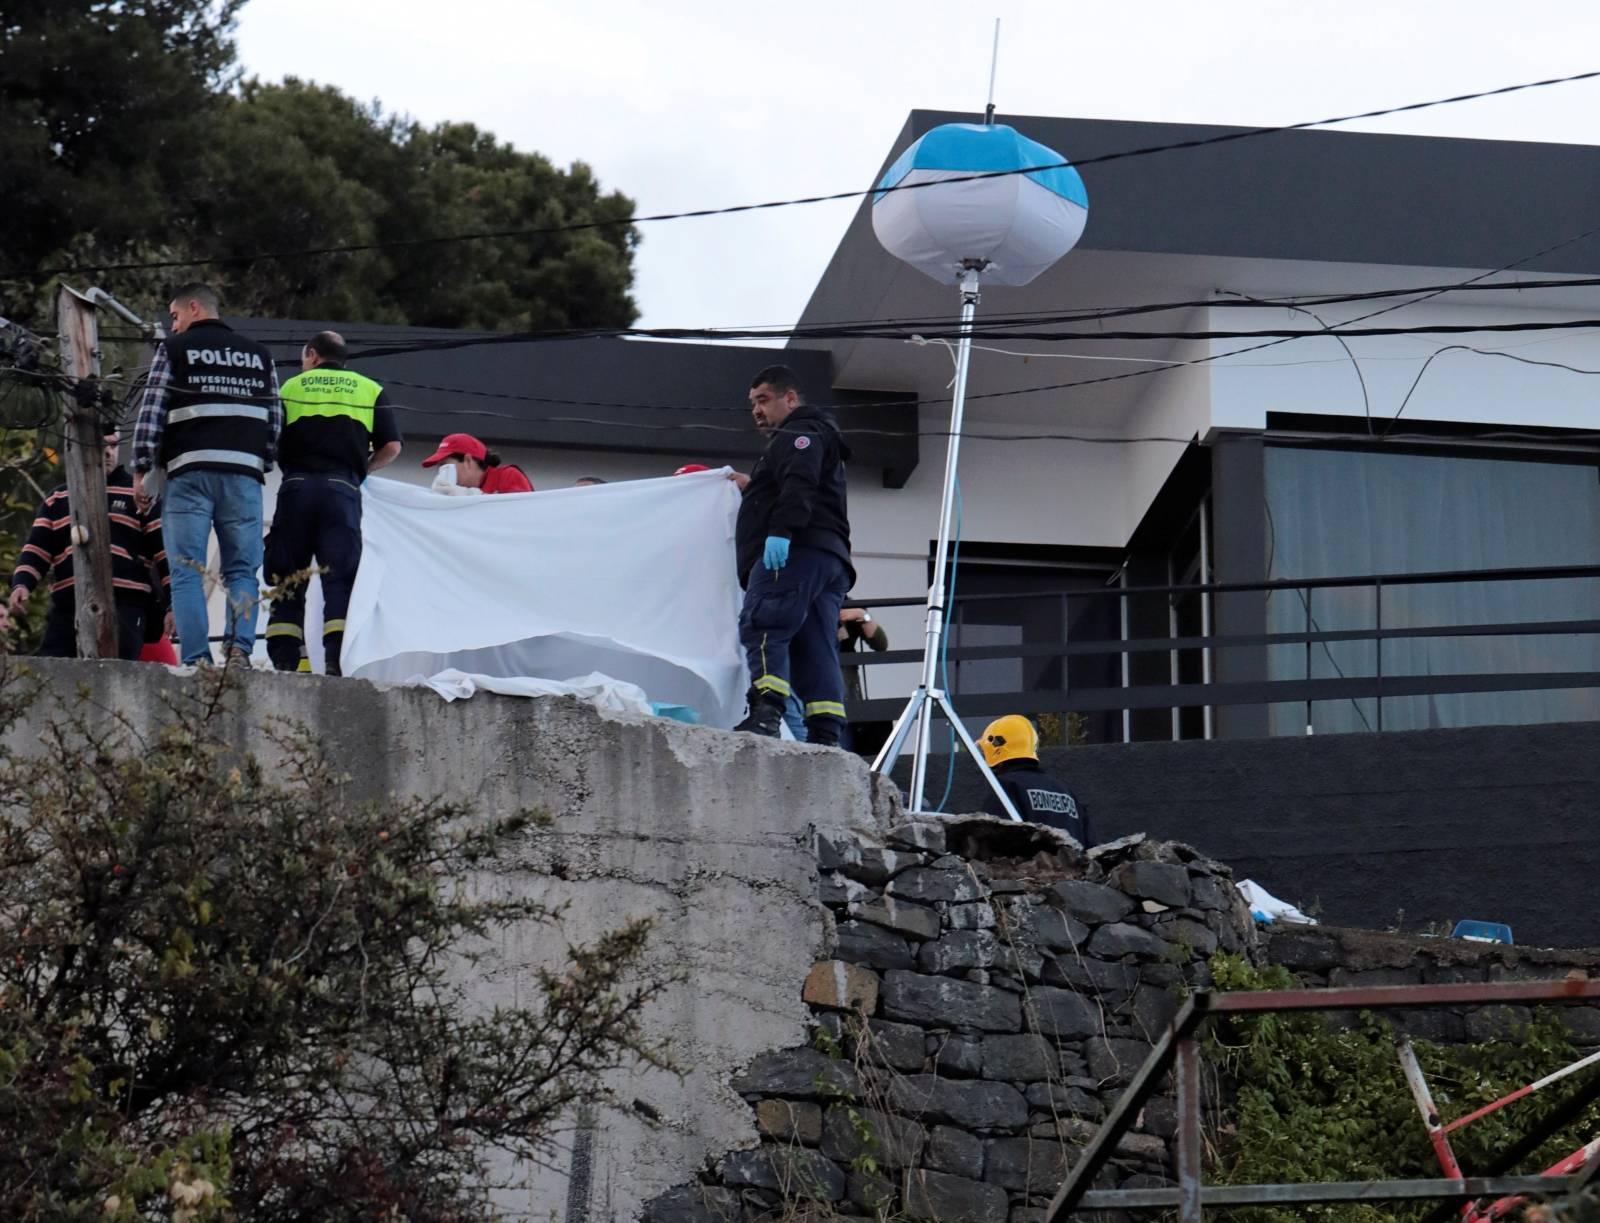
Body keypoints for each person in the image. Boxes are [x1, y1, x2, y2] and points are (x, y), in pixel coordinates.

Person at [132, 282, 280, 668]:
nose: (174, 325)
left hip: (190, 476)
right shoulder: (261, 356)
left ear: (194, 307)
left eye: (175, 316)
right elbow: (274, 420)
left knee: (186, 572)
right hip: (243, 479)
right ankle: (239, 652)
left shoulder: (174, 350)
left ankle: (197, 661)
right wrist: (258, 463)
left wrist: (142, 468)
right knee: (242, 570)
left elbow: (152, 411)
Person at [263, 331, 403, 676]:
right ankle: (334, 662)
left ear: (312, 355)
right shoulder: (369, 389)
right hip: (342, 490)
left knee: (288, 574)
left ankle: (284, 661)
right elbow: (392, 447)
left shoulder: (291, 388)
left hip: (295, 488)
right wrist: (361, 472)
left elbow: (270, 440)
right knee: (339, 578)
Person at [731, 365, 854, 747]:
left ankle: (766, 715)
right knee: (815, 645)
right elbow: (800, 485)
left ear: (790, 398)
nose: (756, 410)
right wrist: (754, 489)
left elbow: (799, 482)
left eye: (763, 400)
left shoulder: (799, 433)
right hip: (827, 559)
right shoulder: (814, 435)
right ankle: (825, 734)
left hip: (795, 552)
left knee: (765, 624)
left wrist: (780, 533)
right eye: (752, 403)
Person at [1, 432, 170, 659]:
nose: (108, 452)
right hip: (68, 606)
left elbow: (164, 554)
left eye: (113, 445)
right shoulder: (58, 498)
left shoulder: (139, 496)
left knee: (115, 678)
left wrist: (172, 605)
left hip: (127, 605)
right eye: (101, 445)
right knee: (53, 674)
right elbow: (37, 548)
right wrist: (22, 584)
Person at [979, 715, 1088, 844]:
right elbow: (1090, 848)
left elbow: (992, 842)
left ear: (996, 748)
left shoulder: (1005, 787)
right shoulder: (1067, 793)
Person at [839, 605, 890, 754]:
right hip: (812, 683)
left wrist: (862, 615)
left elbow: (881, 644)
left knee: (845, 743)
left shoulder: (847, 603)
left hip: (846, 687)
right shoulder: (808, 596)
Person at [420, 433, 532, 493]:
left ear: (468, 461)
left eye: (445, 466)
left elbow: (522, 514)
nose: (442, 473)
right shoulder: (453, 493)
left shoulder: (507, 476)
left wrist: (468, 496)